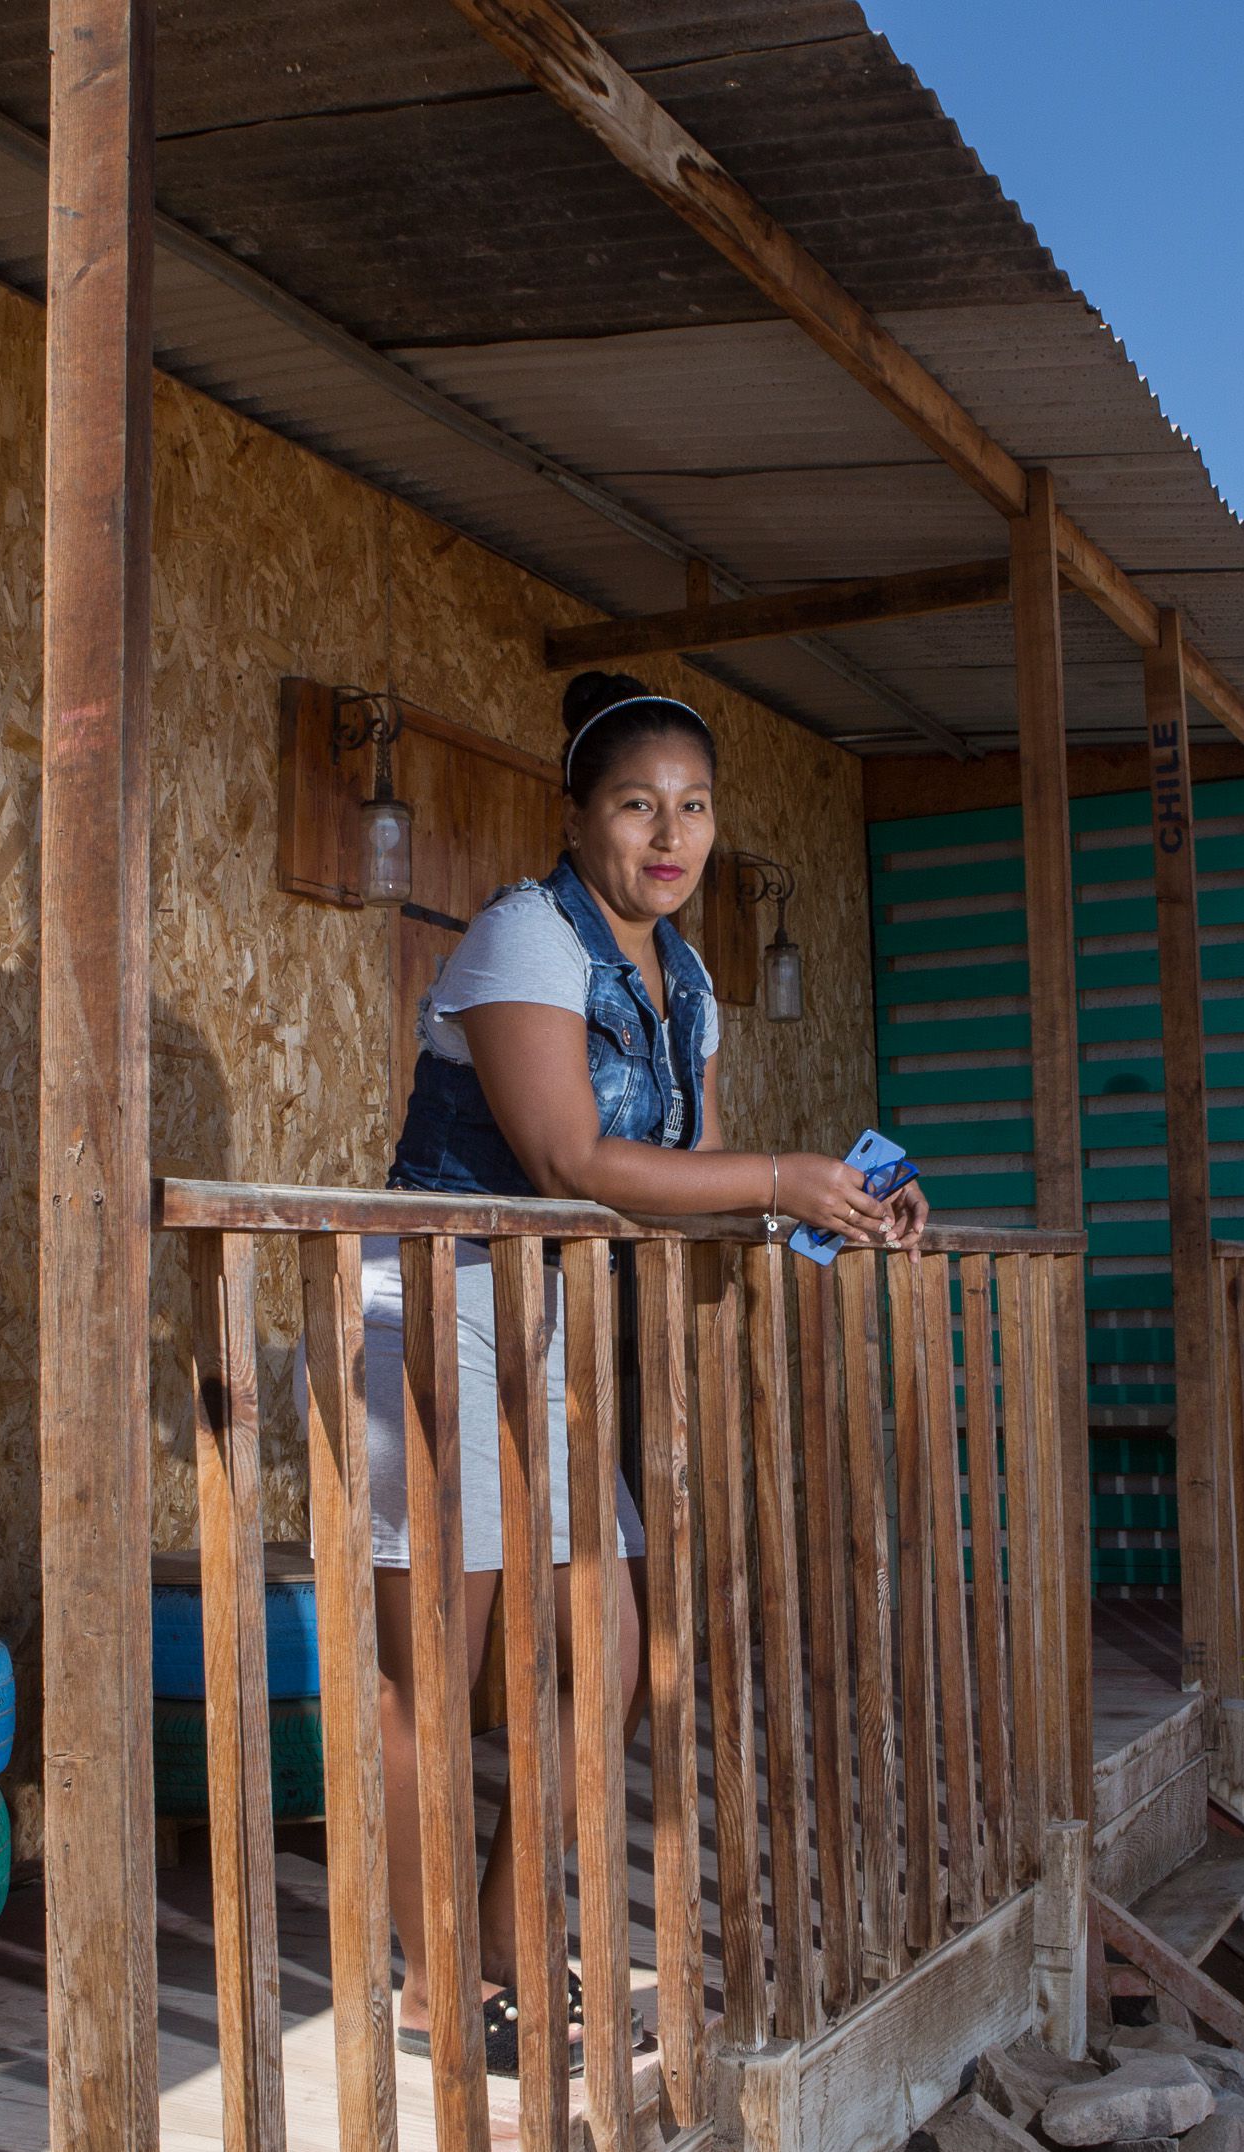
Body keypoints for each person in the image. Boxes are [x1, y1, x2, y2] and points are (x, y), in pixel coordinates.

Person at [362, 669, 925, 2071]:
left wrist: (829, 1205)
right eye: (636, 806)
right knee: (436, 1657)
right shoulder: (524, 938)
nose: (668, 837)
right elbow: (571, 1159)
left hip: (550, 1321)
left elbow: (684, 1182)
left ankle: (506, 1950)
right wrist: (781, 1170)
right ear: (578, 815)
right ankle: (435, 1980)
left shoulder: (691, 985)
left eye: (692, 808)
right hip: (443, 1303)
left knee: (602, 1648)